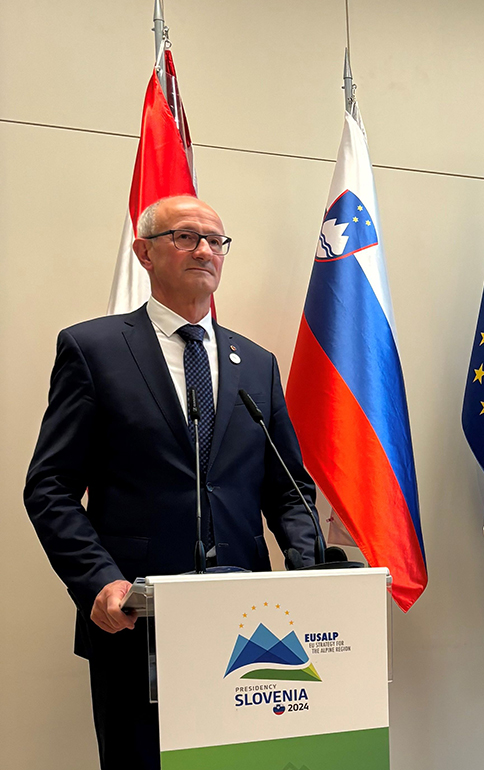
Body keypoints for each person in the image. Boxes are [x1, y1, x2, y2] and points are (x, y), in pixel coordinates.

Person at [24, 195, 321, 770]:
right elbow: (50, 488)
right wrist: (99, 581)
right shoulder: (94, 349)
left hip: (248, 626)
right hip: (137, 624)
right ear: (145, 253)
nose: (205, 250)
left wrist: (308, 574)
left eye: (216, 240)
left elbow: (288, 489)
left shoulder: (255, 364)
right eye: (186, 237)